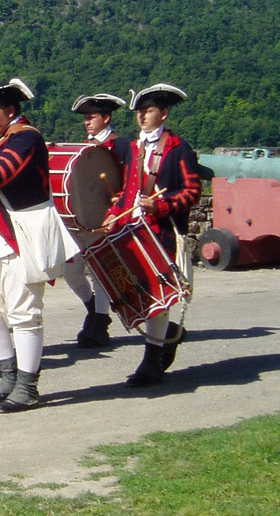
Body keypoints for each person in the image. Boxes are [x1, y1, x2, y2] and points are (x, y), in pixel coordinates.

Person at [0, 78, 78, 413]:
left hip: (21, 238)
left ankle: (27, 385)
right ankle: (8, 373)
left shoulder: (27, 138)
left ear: (11, 110)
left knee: (24, 314)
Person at [103, 83, 202, 387]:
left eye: (148, 111)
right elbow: (129, 191)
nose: (142, 117)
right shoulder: (135, 149)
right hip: (136, 232)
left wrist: (160, 204)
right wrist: (113, 213)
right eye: (139, 112)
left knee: (158, 297)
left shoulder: (178, 149)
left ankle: (151, 362)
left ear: (164, 114)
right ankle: (165, 341)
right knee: (137, 295)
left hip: (164, 234)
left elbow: (192, 192)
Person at [66, 93, 129, 348]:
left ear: (106, 117)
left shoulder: (121, 146)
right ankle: (92, 309)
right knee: (70, 270)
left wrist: (120, 200)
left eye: (91, 117)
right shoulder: (87, 148)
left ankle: (100, 322)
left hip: (105, 220)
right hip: (81, 219)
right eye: (85, 118)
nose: (87, 122)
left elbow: (130, 181)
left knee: (100, 273)